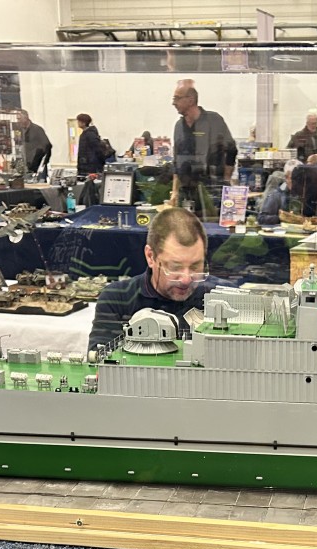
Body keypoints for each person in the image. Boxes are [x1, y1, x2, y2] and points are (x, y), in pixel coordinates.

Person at [90, 207, 220, 352]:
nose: (186, 280)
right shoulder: (116, 299)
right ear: (150, 257)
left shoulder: (221, 298)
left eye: (195, 267)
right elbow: (100, 360)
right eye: (175, 267)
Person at [171, 79, 237, 212]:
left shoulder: (214, 120)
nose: (173, 103)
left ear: (190, 100)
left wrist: (225, 181)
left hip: (212, 188)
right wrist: (175, 191)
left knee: (212, 222)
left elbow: (231, 150)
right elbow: (177, 162)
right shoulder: (179, 126)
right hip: (187, 192)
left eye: (177, 98)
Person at [16, 111, 52, 180]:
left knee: (40, 184)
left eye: (19, 119)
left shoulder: (37, 129)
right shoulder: (22, 131)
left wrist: (42, 161)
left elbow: (47, 145)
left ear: (25, 118)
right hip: (27, 165)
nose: (18, 121)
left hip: (39, 166)